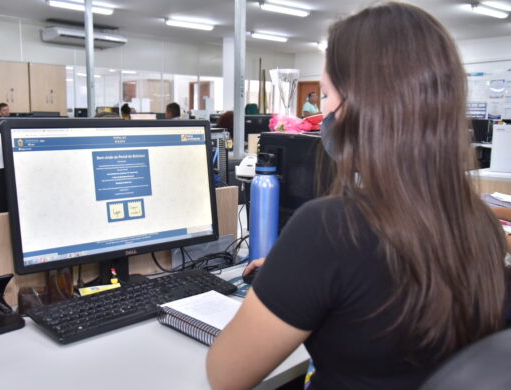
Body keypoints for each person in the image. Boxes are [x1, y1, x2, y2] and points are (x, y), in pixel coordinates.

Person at [206, 3, 508, 390]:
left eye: (328, 95)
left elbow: (225, 375)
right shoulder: (479, 222)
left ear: (363, 107)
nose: (323, 112)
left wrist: (290, 273)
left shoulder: (328, 228)